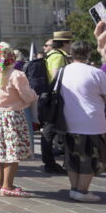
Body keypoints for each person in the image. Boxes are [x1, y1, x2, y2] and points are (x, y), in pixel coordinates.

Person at [0, 43, 37, 197]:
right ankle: (8, 185)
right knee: (12, 151)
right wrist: (33, 96)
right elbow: (27, 96)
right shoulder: (16, 75)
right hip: (11, 116)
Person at [59, 41, 106, 202]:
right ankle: (82, 191)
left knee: (72, 156)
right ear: (88, 53)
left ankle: (74, 189)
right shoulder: (96, 72)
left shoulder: (63, 71)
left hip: (68, 120)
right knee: (89, 157)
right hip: (91, 122)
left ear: (71, 53)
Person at [40, 31, 72, 175]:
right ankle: (50, 163)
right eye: (70, 42)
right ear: (65, 43)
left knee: (49, 131)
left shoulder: (52, 55)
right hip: (55, 99)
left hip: (49, 98)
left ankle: (50, 162)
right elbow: (57, 79)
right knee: (49, 131)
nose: (71, 45)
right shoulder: (58, 57)